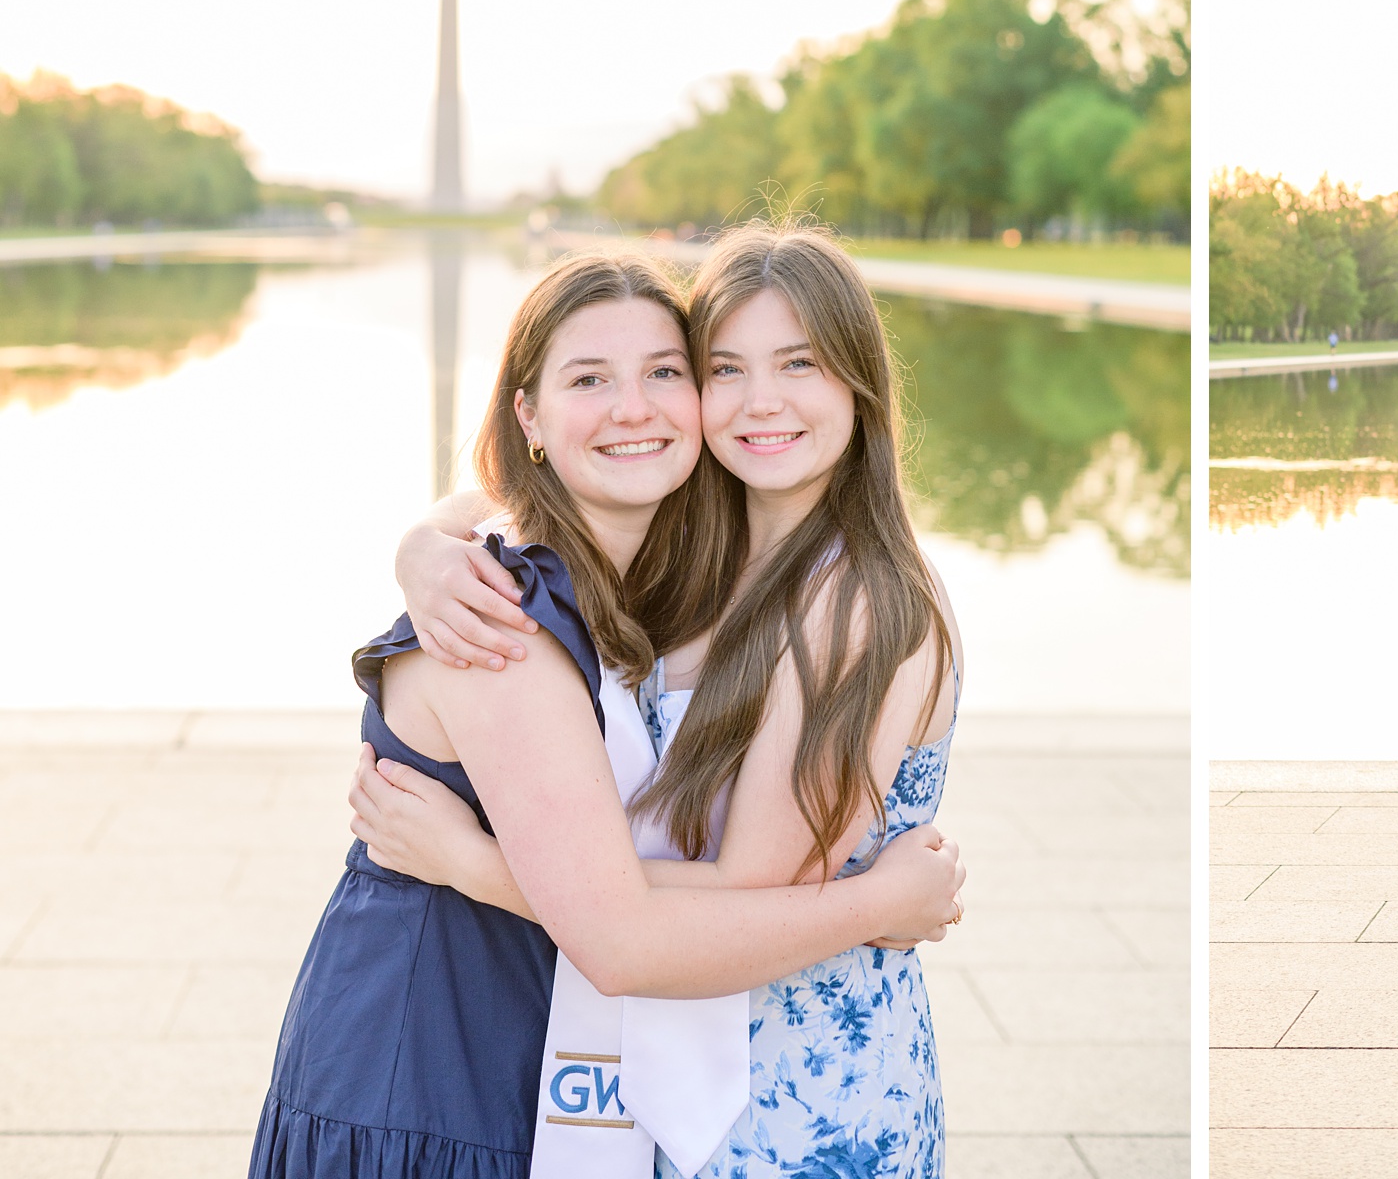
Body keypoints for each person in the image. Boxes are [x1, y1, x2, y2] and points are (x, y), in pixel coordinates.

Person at [252, 250, 965, 1179]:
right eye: (723, 369)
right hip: (556, 1076)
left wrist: (469, 862)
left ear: (862, 382)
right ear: (531, 414)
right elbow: (513, 492)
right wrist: (420, 545)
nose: (761, 401)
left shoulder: (850, 600)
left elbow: (722, 895)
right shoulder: (688, 557)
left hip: (793, 1100)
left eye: (801, 363)